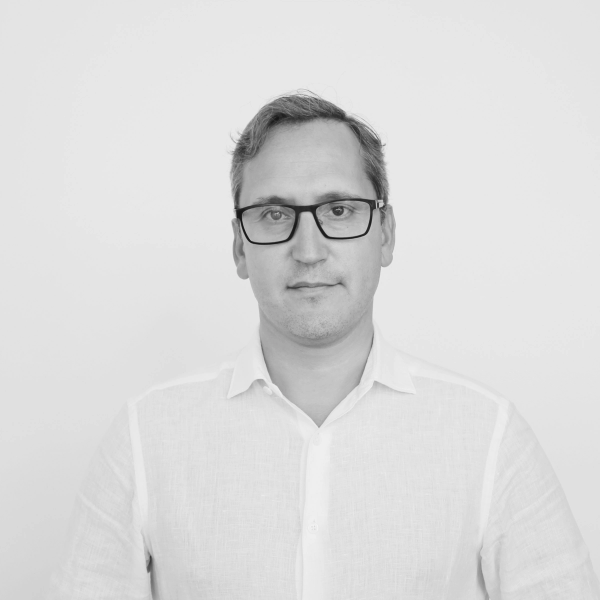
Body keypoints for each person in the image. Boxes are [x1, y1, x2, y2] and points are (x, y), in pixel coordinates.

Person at [46, 92, 600, 599]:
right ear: (239, 248)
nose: (308, 250)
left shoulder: (488, 435)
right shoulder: (146, 436)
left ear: (385, 234)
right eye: (274, 214)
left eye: (338, 210)